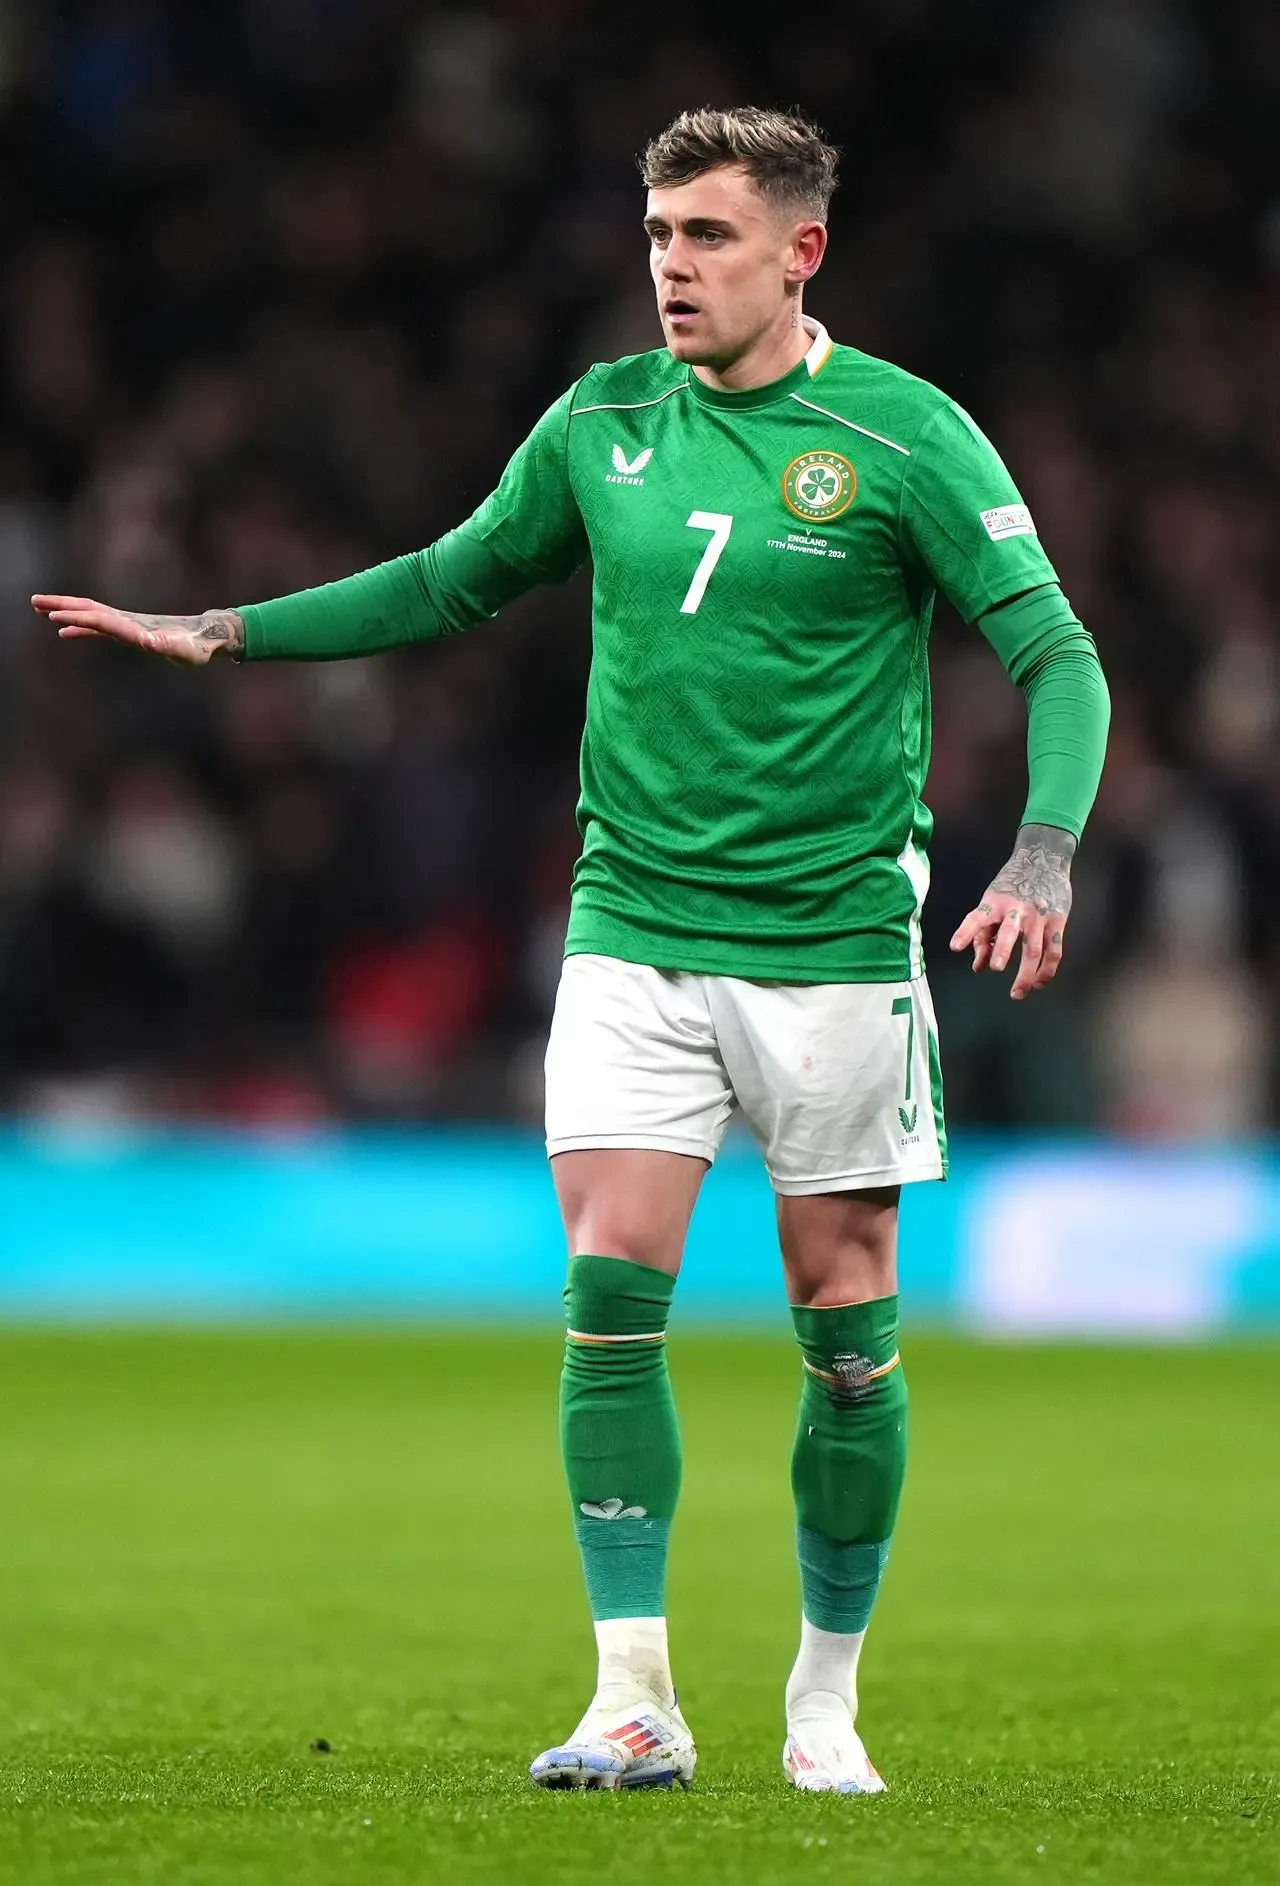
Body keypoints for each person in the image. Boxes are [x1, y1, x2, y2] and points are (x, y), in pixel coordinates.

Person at [34, 105, 1110, 1796]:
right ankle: (634, 1697)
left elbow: (1059, 655)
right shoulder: (601, 419)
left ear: (800, 251)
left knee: (846, 1323)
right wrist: (229, 630)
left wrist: (1042, 850)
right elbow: (453, 582)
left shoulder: (904, 437)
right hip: (632, 927)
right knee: (609, 1302)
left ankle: (824, 1699)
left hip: (832, 942)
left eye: (710, 237)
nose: (672, 267)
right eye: (661, 233)